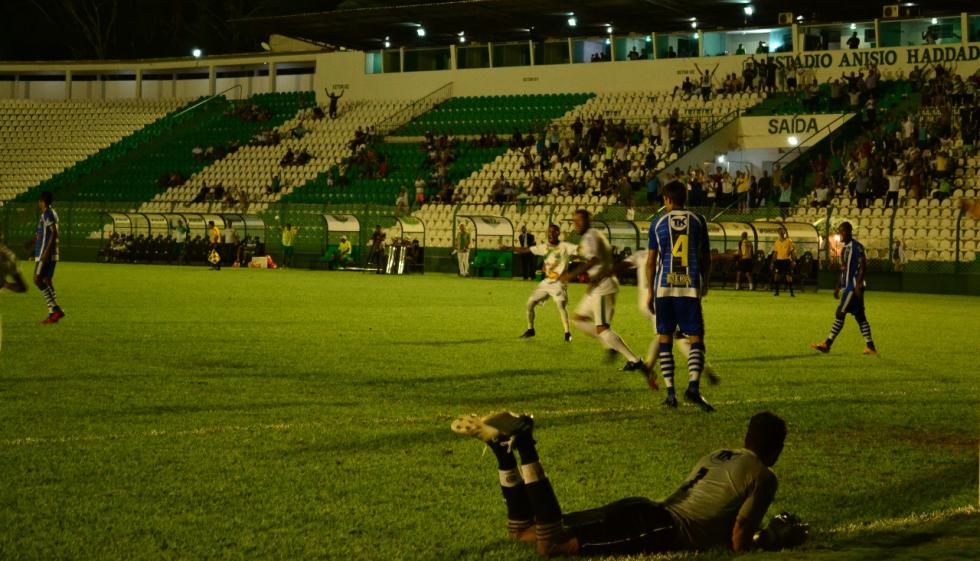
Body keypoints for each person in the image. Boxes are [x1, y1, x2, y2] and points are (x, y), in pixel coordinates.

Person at [451, 410, 804, 556]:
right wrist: (768, 540)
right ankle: (524, 446)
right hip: (659, 527)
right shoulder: (764, 475)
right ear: (776, 448)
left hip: (645, 507)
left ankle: (502, 454)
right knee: (550, 545)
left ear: (746, 435)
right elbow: (739, 537)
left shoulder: (720, 453)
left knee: (524, 532)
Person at [645, 181, 713, 411]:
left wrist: (648, 292)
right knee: (696, 339)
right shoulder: (698, 221)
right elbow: (705, 256)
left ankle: (671, 394)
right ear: (685, 198)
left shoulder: (658, 223)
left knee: (665, 338)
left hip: (664, 289)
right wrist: (705, 280)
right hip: (689, 287)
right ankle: (693, 387)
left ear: (667, 199)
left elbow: (651, 262)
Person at [561, 210, 647, 373]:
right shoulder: (593, 235)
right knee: (578, 319)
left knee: (602, 328)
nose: (576, 224)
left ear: (588, 221)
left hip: (603, 286)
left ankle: (634, 360)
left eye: (580, 221)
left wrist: (571, 274)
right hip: (597, 285)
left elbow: (594, 260)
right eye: (574, 221)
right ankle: (610, 344)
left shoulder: (590, 236)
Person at [811, 222, 877, 355]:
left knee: (840, 313)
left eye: (840, 232)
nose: (839, 235)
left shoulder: (856, 247)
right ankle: (871, 347)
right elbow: (844, 269)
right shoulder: (845, 248)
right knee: (860, 317)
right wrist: (837, 287)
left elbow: (863, 266)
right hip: (848, 286)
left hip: (853, 287)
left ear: (846, 232)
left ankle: (827, 344)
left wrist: (858, 284)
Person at [503, 224, 577, 342]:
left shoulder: (565, 246)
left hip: (559, 282)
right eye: (549, 232)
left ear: (558, 233)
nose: (551, 234)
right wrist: (508, 248)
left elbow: (580, 249)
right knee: (529, 304)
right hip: (547, 282)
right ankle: (530, 330)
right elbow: (526, 249)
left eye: (553, 231)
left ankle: (567, 333)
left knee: (561, 305)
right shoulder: (544, 247)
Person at [31, 191, 66, 323]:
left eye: (39, 201)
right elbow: (44, 233)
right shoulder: (50, 213)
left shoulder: (47, 213)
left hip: (45, 253)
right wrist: (32, 243)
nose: (38, 203)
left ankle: (56, 310)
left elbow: (54, 233)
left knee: (37, 279)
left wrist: (45, 252)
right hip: (49, 252)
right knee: (46, 280)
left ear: (43, 202)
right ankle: (53, 314)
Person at [770, 227, 795, 297]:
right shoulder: (777, 242)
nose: (782, 233)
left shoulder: (789, 241)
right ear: (778, 233)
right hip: (778, 261)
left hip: (786, 260)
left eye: (783, 232)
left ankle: (792, 292)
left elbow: (792, 251)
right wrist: (772, 262)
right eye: (781, 232)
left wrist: (793, 260)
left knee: (788, 276)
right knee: (776, 276)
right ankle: (777, 292)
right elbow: (775, 253)